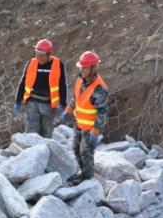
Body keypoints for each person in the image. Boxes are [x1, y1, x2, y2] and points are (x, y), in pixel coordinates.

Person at [62, 51, 109, 182]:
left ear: (93, 68)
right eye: (81, 67)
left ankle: (88, 177)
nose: (82, 70)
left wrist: (96, 130)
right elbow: (76, 98)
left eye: (85, 67)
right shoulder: (80, 80)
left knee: (86, 152)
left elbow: (102, 111)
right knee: (76, 148)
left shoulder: (99, 88)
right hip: (79, 123)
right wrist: (68, 110)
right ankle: (83, 172)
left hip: (90, 127)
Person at [14, 38, 67, 138]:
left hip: (48, 104)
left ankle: (44, 150)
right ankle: (32, 150)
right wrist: (18, 101)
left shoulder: (58, 64)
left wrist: (63, 104)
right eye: (36, 54)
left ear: (48, 54)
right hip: (32, 103)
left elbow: (62, 85)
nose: (38, 57)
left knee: (47, 130)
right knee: (32, 130)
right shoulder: (31, 63)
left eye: (41, 55)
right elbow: (23, 82)